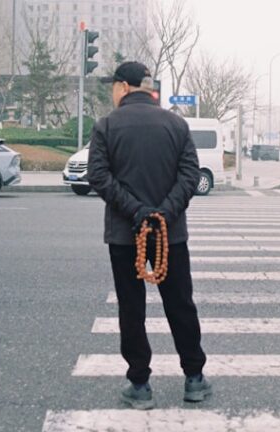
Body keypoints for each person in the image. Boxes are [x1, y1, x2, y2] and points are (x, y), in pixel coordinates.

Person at [88, 61, 211, 410]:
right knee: (180, 304)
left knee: (132, 308)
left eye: (112, 87)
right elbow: (190, 176)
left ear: (123, 87)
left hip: (126, 236)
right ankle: (194, 379)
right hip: (170, 234)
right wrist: (163, 213)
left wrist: (137, 212)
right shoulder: (176, 124)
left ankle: (139, 383)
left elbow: (98, 176)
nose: (112, 93)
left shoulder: (106, 126)